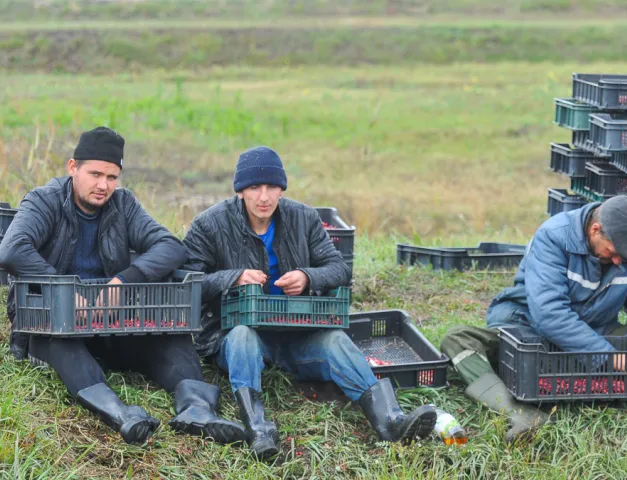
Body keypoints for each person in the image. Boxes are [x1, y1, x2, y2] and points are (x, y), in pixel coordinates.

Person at [183, 146, 437, 459]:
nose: (264, 197)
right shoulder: (210, 224)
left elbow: (339, 268)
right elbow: (188, 281)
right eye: (254, 188)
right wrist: (233, 277)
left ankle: (390, 420)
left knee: (335, 340)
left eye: (272, 187)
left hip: (297, 332)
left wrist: (307, 277)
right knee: (241, 336)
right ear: (240, 192)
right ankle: (258, 428)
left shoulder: (303, 218)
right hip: (235, 333)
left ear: (282, 189)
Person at [0, 126, 245, 446]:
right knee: (62, 344)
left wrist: (123, 281)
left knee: (173, 339)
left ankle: (197, 411)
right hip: (52, 321)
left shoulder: (123, 205)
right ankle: (122, 414)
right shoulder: (44, 200)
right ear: (73, 167)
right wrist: (66, 291)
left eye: (112, 177)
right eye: (95, 174)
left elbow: (170, 246)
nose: (103, 185)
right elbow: (11, 251)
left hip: (110, 319)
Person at [440, 195, 627, 443]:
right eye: (612, 253)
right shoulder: (553, 237)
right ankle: (521, 413)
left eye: (625, 258)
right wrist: (607, 355)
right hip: (529, 329)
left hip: (597, 326)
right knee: (459, 339)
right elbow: (549, 315)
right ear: (595, 229)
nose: (618, 262)